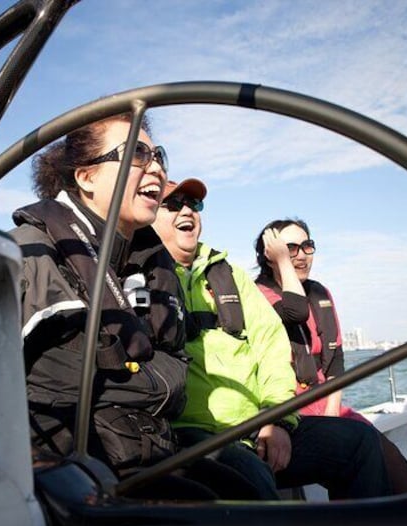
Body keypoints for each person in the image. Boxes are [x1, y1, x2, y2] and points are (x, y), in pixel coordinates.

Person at [0, 113, 260, 501]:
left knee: (248, 495)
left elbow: (174, 376)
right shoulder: (27, 258)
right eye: (136, 153)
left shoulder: (150, 266)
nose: (154, 167)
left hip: (144, 456)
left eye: (157, 155)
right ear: (86, 177)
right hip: (56, 484)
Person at [152, 178, 393, 501]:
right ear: (150, 213)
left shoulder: (230, 276)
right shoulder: (140, 275)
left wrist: (276, 420)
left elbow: (272, 347)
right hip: (191, 434)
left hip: (259, 424)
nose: (187, 210)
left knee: (359, 442)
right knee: (248, 472)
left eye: (194, 204)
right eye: (174, 203)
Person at [254, 218, 407, 494]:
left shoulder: (321, 293)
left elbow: (335, 361)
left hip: (326, 399)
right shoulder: (258, 297)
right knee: (359, 452)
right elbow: (294, 311)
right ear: (270, 254)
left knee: (385, 453)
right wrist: (283, 264)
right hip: (287, 405)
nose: (300, 255)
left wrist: (333, 410)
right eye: (290, 249)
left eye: (306, 246)